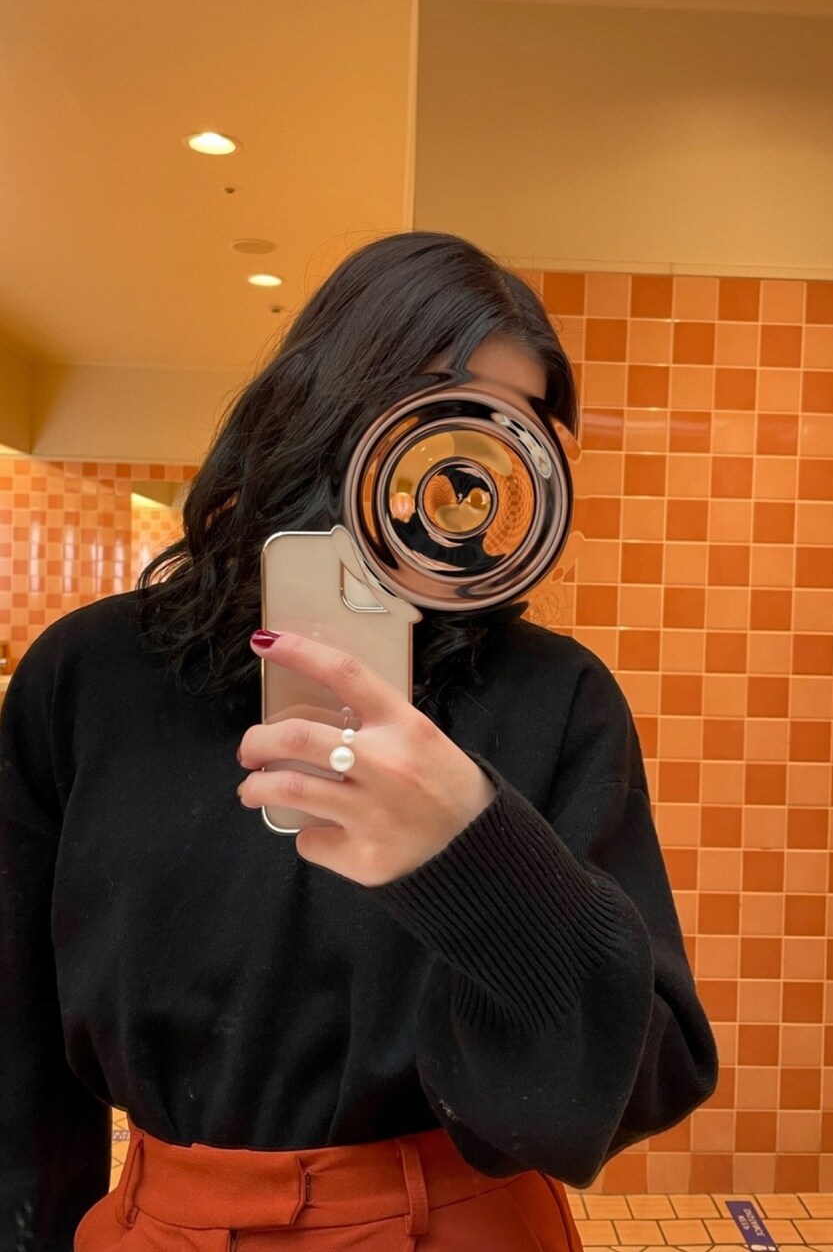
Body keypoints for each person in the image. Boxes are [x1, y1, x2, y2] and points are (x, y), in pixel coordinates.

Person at [0, 231, 718, 1251]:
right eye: (433, 404)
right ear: (318, 405)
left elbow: (645, 1077)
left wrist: (474, 853)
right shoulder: (88, 677)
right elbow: (17, 1057)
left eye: (513, 424)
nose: (464, 459)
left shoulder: (555, 697)